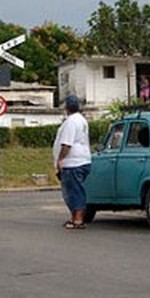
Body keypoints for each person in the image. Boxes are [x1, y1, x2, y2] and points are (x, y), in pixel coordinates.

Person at [53, 93, 92, 229]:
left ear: (67, 107)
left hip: (73, 162)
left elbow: (66, 144)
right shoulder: (81, 120)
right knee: (75, 190)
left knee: (74, 191)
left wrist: (60, 159)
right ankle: (75, 217)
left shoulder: (71, 122)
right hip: (82, 160)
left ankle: (78, 219)